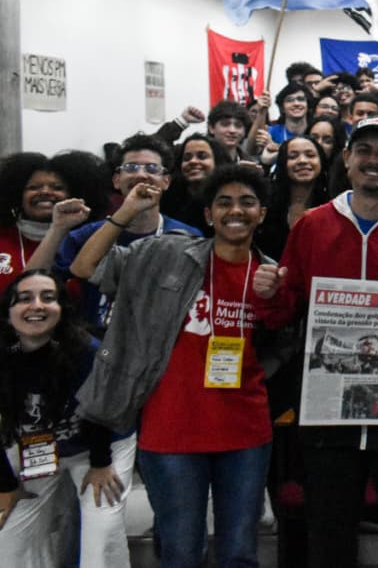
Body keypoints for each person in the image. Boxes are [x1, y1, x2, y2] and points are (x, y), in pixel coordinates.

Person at [251, 117, 378, 568]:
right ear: (346, 159)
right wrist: (268, 293)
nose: (373, 161)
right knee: (329, 537)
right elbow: (285, 309)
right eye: (364, 150)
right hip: (329, 410)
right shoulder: (313, 226)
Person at [70, 164, 277, 568]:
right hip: (170, 431)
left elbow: (281, 342)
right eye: (224, 203)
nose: (236, 211)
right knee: (181, 552)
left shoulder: (270, 273)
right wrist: (126, 212)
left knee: (240, 552)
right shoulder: (164, 254)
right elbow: (84, 268)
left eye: (247, 202)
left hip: (246, 432)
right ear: (209, 215)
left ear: (262, 214)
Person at [0, 269, 131, 568]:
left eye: (48, 298)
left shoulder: (86, 351)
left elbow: (100, 411)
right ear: (8, 311)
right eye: (24, 298)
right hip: (35, 446)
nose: (37, 305)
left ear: (62, 309)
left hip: (101, 445)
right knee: (9, 534)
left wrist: (100, 464)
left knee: (101, 533)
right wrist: (6, 487)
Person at [55, 134, 202, 337]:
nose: (141, 175)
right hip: (98, 339)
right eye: (131, 168)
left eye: (152, 169)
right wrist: (128, 211)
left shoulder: (187, 236)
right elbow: (72, 275)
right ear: (116, 180)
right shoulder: (85, 235)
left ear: (166, 181)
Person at [0, 150, 109, 293]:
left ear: (74, 195)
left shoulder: (90, 240)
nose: (45, 192)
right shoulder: (3, 236)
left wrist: (59, 227)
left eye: (57, 187)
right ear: (18, 195)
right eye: (33, 187)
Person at [256, 135, 329, 260]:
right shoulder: (266, 202)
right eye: (293, 157)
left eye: (310, 155)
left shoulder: (333, 204)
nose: (302, 161)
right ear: (282, 163)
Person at [163, 134, 230, 233]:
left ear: (217, 161)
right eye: (187, 158)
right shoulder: (167, 198)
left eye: (202, 156)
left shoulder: (228, 198)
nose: (193, 161)